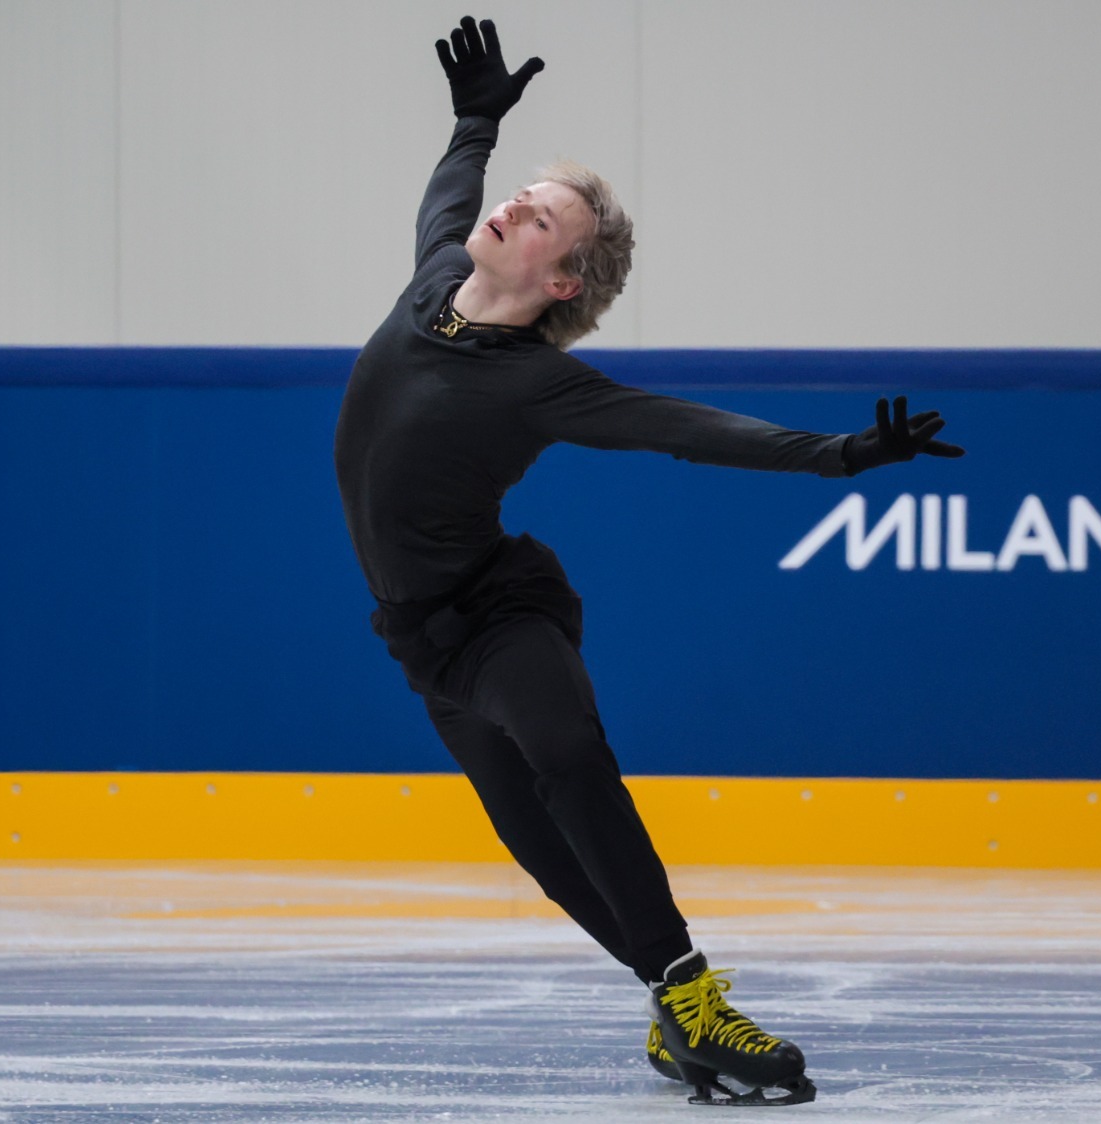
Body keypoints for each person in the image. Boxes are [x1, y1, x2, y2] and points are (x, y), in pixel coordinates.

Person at [333, 15, 963, 1107]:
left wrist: (840, 453)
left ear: (564, 284)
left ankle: (697, 994)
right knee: (539, 842)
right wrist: (475, 121)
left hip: (499, 612)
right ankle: (675, 1017)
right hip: (419, 641)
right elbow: (451, 185)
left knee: (567, 751)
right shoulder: (435, 272)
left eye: (544, 219)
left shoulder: (539, 381)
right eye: (525, 195)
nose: (514, 205)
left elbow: (686, 427)